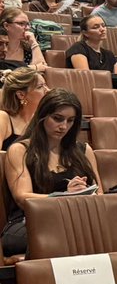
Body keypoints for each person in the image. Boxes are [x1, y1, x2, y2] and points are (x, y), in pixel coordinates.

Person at [2, 90, 101, 256]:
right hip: (29, 223)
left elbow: (100, 195)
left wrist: (85, 193)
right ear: (42, 116)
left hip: (76, 220)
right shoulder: (20, 150)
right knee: (66, 234)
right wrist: (64, 197)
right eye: (57, 118)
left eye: (70, 121)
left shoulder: (84, 150)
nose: (63, 126)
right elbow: (22, 198)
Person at [0, 68, 47, 149]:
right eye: (40, 87)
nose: (47, 90)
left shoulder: (43, 119)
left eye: (45, 85)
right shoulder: (3, 118)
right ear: (21, 95)